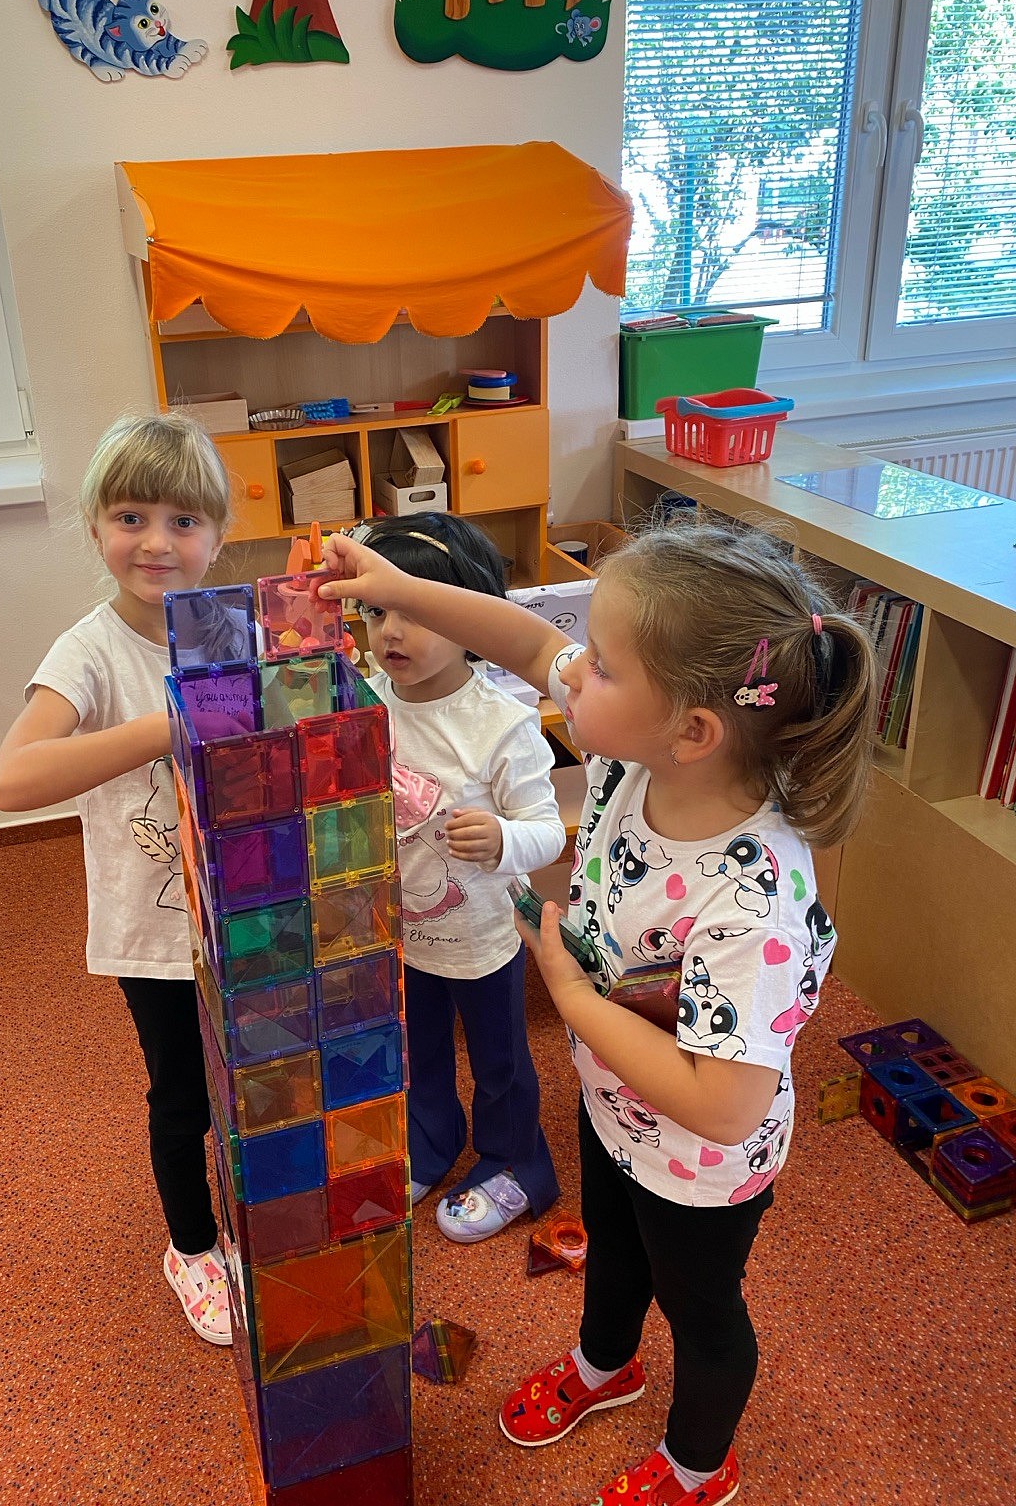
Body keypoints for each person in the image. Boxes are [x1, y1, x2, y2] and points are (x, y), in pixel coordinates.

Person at [321, 515, 877, 1505]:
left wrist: (573, 999)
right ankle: (604, 1364)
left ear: (693, 729)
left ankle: (698, 1467)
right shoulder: (635, 757)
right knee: (614, 1252)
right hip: (616, 1104)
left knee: (703, 1314)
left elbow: (726, 1105)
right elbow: (524, 637)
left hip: (701, 1164)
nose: (572, 674)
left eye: (602, 667)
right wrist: (390, 586)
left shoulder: (753, 897)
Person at [0, 412, 234, 1347]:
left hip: (249, 913)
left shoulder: (235, 629)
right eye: (132, 517)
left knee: (257, 1083)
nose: (157, 542)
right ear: (96, 528)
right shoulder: (87, 651)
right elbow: (12, 781)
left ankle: (252, 1223)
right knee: (183, 1098)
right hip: (155, 932)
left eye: (183, 521)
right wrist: (161, 729)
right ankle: (191, 1247)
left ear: (217, 536)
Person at [353, 513, 565, 1242]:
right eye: (376, 611)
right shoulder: (366, 701)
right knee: (419, 1053)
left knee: (501, 1061)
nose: (390, 632)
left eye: (415, 610)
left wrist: (504, 838)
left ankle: (517, 1164)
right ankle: (432, 1141)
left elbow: (547, 831)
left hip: (483, 937)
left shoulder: (500, 722)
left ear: (470, 615)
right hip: (399, 932)